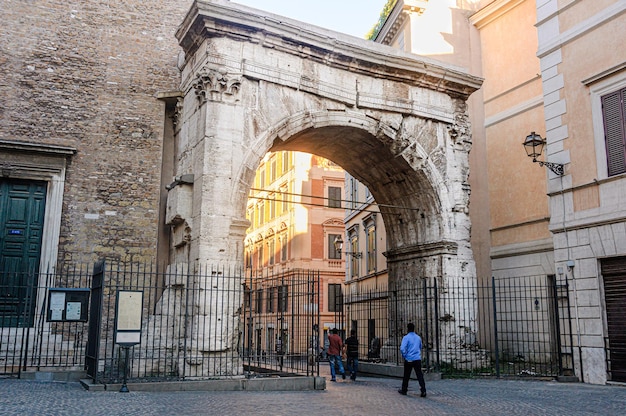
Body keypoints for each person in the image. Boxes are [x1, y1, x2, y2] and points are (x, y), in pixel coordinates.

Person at [398, 323, 426, 397]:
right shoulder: (418, 337)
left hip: (409, 358)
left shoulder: (406, 337)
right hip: (417, 358)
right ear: (414, 329)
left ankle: (404, 389)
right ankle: (423, 390)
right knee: (419, 375)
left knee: (406, 375)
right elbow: (420, 346)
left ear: (407, 329)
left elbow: (402, 348)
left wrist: (405, 355)